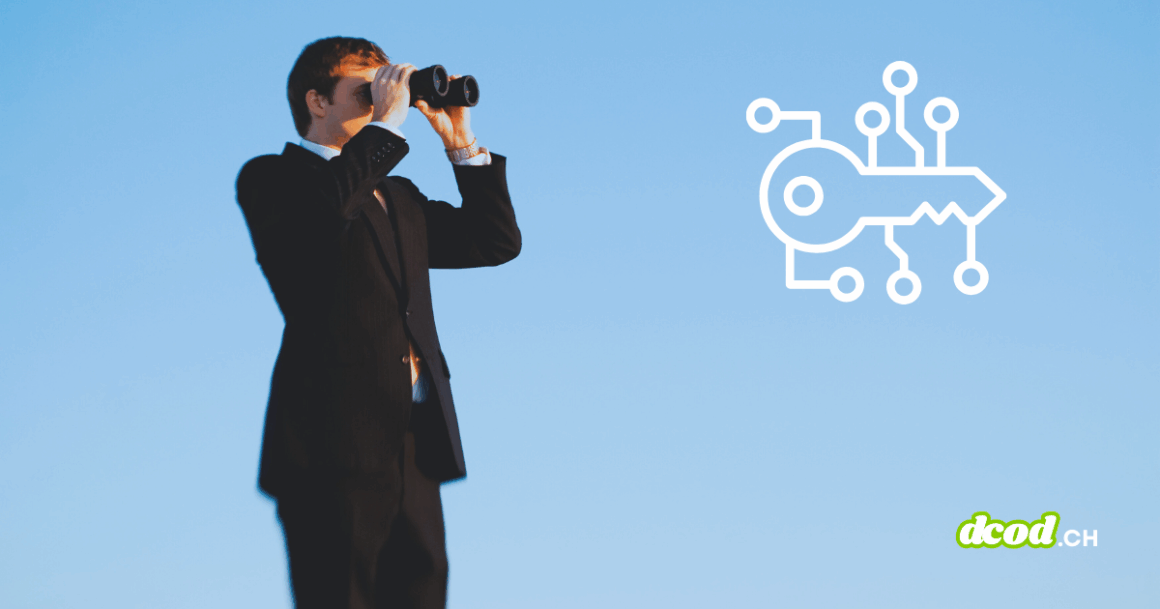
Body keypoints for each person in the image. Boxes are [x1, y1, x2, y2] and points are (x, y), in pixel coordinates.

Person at [234, 36, 521, 609]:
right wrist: (387, 126)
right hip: (329, 441)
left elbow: (494, 241)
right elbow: (322, 221)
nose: (379, 97)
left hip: (412, 440)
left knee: (421, 593)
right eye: (364, 88)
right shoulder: (272, 179)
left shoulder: (396, 196)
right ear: (317, 102)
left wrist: (460, 144)